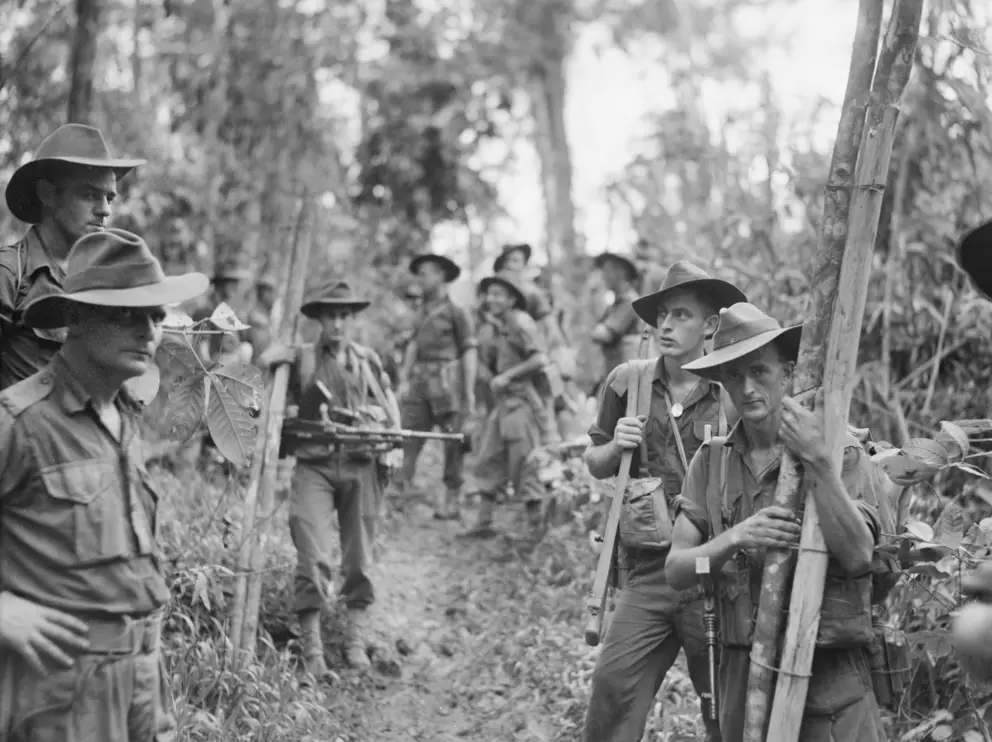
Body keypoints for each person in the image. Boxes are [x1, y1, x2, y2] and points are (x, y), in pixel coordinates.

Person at [0, 227, 208, 741]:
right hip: (61, 693)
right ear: (75, 317)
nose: (147, 331)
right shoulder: (21, 422)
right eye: (126, 313)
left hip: (140, 679)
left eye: (156, 316)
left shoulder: (125, 420)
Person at [665, 302, 885, 742]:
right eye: (733, 377)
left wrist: (818, 461)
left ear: (787, 373)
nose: (746, 388)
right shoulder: (711, 463)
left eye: (759, 372)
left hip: (827, 673)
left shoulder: (841, 451)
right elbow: (677, 571)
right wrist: (734, 538)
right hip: (742, 671)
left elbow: (860, 556)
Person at [582, 261, 746, 742]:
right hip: (648, 570)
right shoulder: (626, 382)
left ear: (710, 326)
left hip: (712, 573)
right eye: (661, 316)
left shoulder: (731, 392)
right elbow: (594, 460)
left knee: (722, 704)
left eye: (681, 315)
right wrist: (616, 446)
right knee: (613, 687)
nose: (666, 326)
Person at [260, 280, 401, 678]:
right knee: (313, 552)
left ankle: (355, 642)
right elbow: (266, 389)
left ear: (350, 319)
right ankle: (313, 653)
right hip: (315, 467)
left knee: (359, 557)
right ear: (319, 319)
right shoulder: (301, 359)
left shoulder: (367, 360)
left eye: (344, 316)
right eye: (330, 316)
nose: (337, 323)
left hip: (361, 465)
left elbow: (391, 413)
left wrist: (384, 437)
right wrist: (273, 359)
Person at [0, 123, 145, 390]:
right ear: (47, 193)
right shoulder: (10, 274)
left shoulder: (102, 281)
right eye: (89, 195)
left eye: (109, 199)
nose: (104, 211)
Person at [463, 275, 549, 540]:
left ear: (512, 299)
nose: (492, 299)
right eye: (490, 294)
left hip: (521, 403)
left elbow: (539, 358)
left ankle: (535, 529)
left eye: (499, 294)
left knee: (526, 463)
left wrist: (508, 376)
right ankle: (484, 521)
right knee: (488, 458)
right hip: (502, 406)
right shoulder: (495, 327)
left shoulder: (521, 321)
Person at [397, 253, 478, 520]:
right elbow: (412, 346)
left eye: (426, 273)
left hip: (447, 384)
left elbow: (468, 351)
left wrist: (468, 393)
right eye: (418, 273)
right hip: (420, 383)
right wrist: (403, 379)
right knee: (408, 437)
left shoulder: (456, 311)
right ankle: (399, 496)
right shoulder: (419, 311)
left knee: (453, 442)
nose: (420, 279)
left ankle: (452, 501)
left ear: (441, 275)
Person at [591, 251, 643, 388]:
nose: (603, 275)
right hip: (617, 380)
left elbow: (603, 335)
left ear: (621, 272)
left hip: (628, 383)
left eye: (607, 270)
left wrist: (597, 296)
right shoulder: (614, 306)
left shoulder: (630, 302)